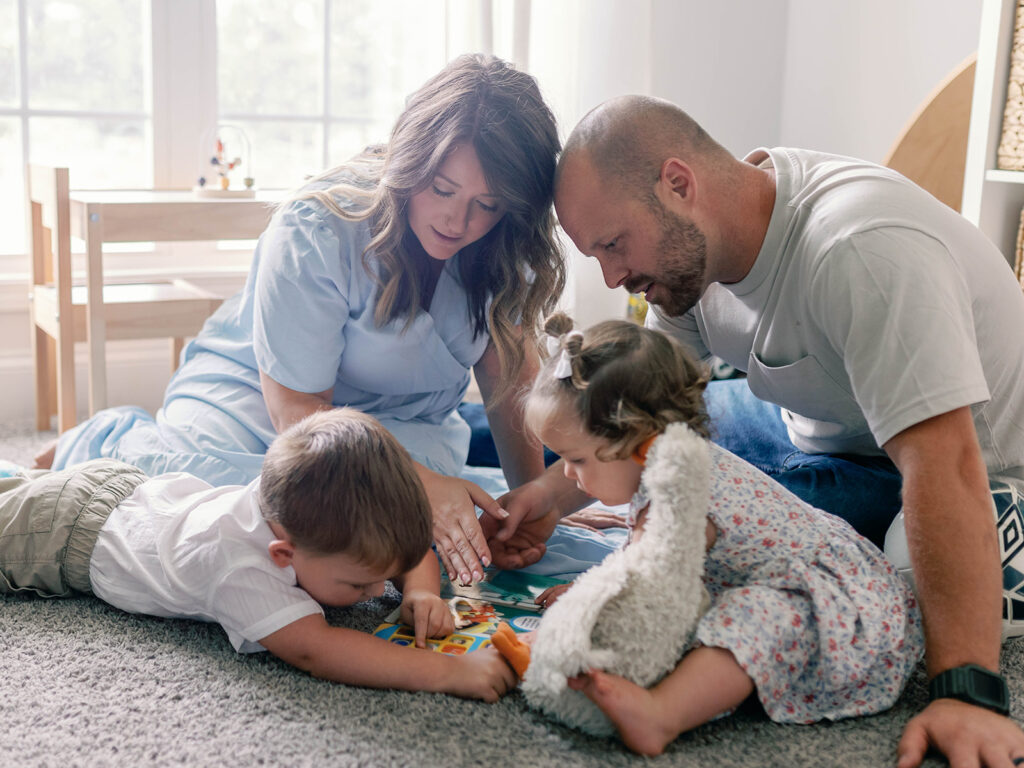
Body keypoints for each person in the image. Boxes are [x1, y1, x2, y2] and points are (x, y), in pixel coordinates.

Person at [488, 95, 1024, 767]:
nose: (612, 276)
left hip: (965, 462)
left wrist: (966, 693)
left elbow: (945, 465)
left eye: (613, 245)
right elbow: (639, 416)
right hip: (810, 426)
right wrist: (545, 494)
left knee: (876, 601)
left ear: (679, 185)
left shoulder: (860, 252)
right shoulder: (691, 263)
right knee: (579, 422)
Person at [40, 54, 564, 589]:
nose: (457, 221)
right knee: (223, 519)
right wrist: (419, 482)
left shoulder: (503, 245)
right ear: (409, 161)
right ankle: (107, 437)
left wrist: (533, 500)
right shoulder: (317, 226)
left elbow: (511, 381)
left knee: (408, 531)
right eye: (443, 190)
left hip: (402, 422)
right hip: (266, 406)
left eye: (487, 204)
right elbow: (296, 409)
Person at [492, 313, 923, 755]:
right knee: (716, 612)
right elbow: (639, 561)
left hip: (844, 615)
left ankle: (662, 713)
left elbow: (650, 590)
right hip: (787, 579)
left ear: (636, 438)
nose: (566, 474)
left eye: (577, 460)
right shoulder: (663, 463)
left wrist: (588, 614)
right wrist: (591, 589)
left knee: (749, 615)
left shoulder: (683, 492)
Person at [2, 408, 516, 701]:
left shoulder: (303, 513)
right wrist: (448, 674)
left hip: (128, 491)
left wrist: (422, 588)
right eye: (358, 585)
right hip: (61, 534)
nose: (375, 593)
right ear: (282, 554)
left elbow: (403, 555)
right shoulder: (239, 568)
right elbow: (316, 651)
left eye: (380, 581)